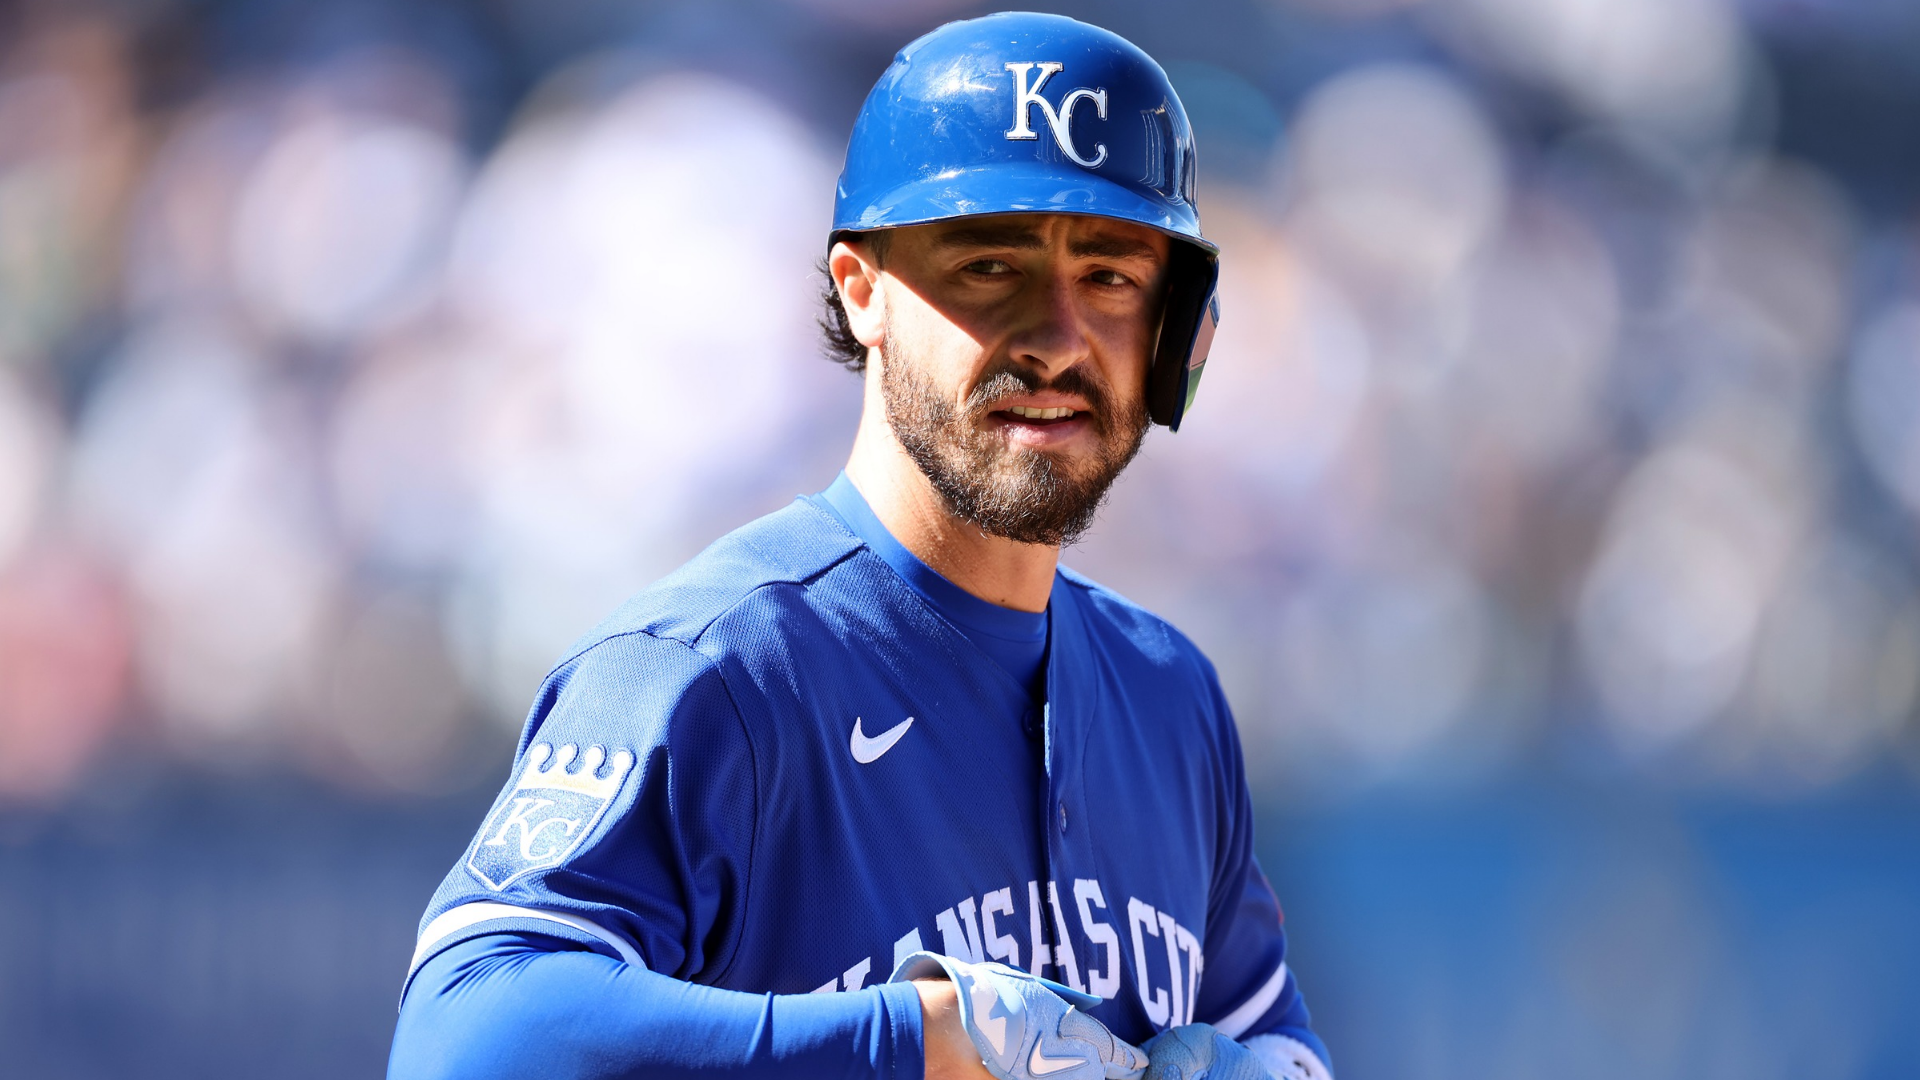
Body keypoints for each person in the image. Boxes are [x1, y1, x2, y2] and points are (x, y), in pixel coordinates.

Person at [387, 12, 1331, 1080]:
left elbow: (1272, 1033)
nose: (1059, 337)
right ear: (863, 291)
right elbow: (465, 1040)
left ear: (1173, 332)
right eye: (988, 266)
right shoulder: (712, 669)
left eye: (1110, 276)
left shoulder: (1171, 699)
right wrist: (905, 1042)